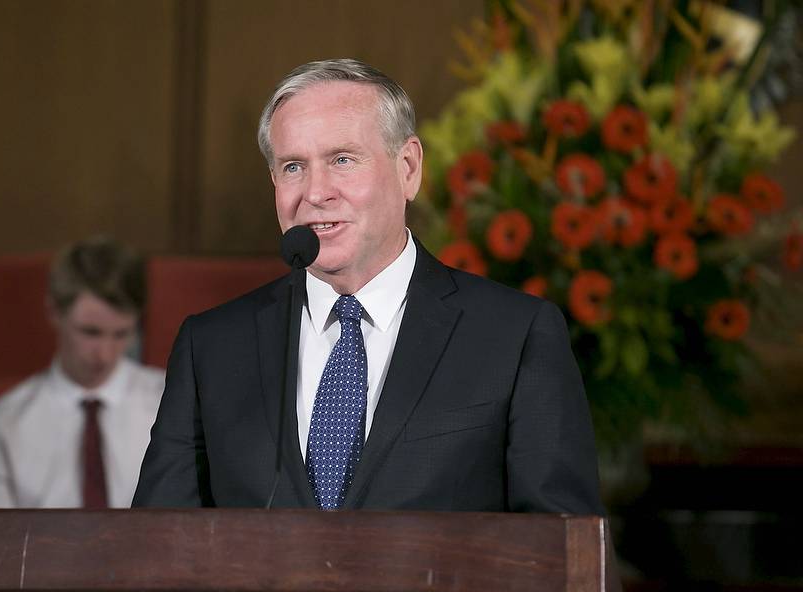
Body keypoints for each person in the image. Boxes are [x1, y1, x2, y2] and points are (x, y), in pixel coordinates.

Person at [132, 59, 603, 515]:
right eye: (293, 166)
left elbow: (560, 553)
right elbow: (158, 548)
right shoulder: (212, 346)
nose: (315, 192)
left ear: (409, 168)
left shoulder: (515, 336)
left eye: (342, 159)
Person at [0, 237, 166, 508]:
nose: (105, 354)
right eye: (90, 332)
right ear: (53, 312)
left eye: (122, 334)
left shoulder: (171, 405)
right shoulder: (3, 423)